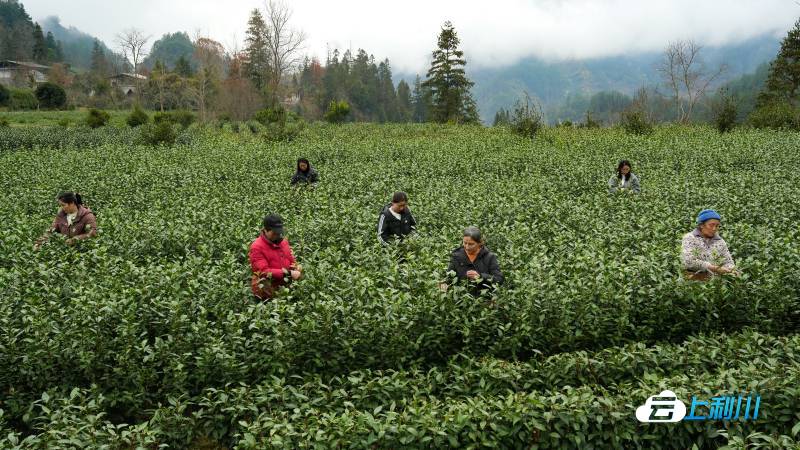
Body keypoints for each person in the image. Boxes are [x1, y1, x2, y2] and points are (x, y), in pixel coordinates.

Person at [249, 214, 302, 300]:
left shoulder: (284, 242)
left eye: (279, 232)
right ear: (265, 230)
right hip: (267, 291)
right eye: (274, 233)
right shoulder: (256, 247)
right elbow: (263, 272)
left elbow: (290, 259)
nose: (277, 235)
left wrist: (296, 267)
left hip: (285, 288)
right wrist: (288, 273)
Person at [441, 226, 504, 295]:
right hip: (461, 298)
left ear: (479, 243)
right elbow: (449, 277)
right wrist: (444, 284)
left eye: (471, 244)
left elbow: (499, 279)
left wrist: (481, 276)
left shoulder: (489, 257)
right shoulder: (457, 256)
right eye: (465, 243)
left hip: (483, 298)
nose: (467, 247)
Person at [681, 209, 737, 281]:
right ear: (701, 225)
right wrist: (714, 268)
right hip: (694, 282)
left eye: (717, 226)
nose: (714, 229)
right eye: (711, 225)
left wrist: (732, 270)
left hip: (715, 283)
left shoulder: (720, 241)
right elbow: (688, 261)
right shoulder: (690, 238)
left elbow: (728, 262)